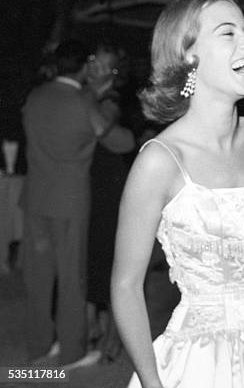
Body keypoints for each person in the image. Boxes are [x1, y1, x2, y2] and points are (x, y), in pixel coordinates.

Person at [111, 0, 244, 388]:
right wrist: (152, 382)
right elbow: (125, 285)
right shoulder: (160, 161)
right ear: (188, 56)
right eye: (229, 33)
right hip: (201, 361)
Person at [21, 39, 125, 368]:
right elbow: (118, 141)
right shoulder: (82, 102)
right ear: (82, 67)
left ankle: (38, 349)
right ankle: (71, 353)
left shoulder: (35, 96)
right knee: (71, 280)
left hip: (35, 198)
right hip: (70, 202)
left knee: (37, 280)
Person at [86, 42, 135, 362]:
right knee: (92, 259)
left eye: (101, 65)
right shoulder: (88, 95)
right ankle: (95, 330)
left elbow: (102, 125)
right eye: (91, 61)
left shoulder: (111, 99)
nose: (93, 68)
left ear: (113, 73)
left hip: (110, 186)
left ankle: (114, 342)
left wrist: (79, 96)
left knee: (109, 260)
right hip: (89, 184)